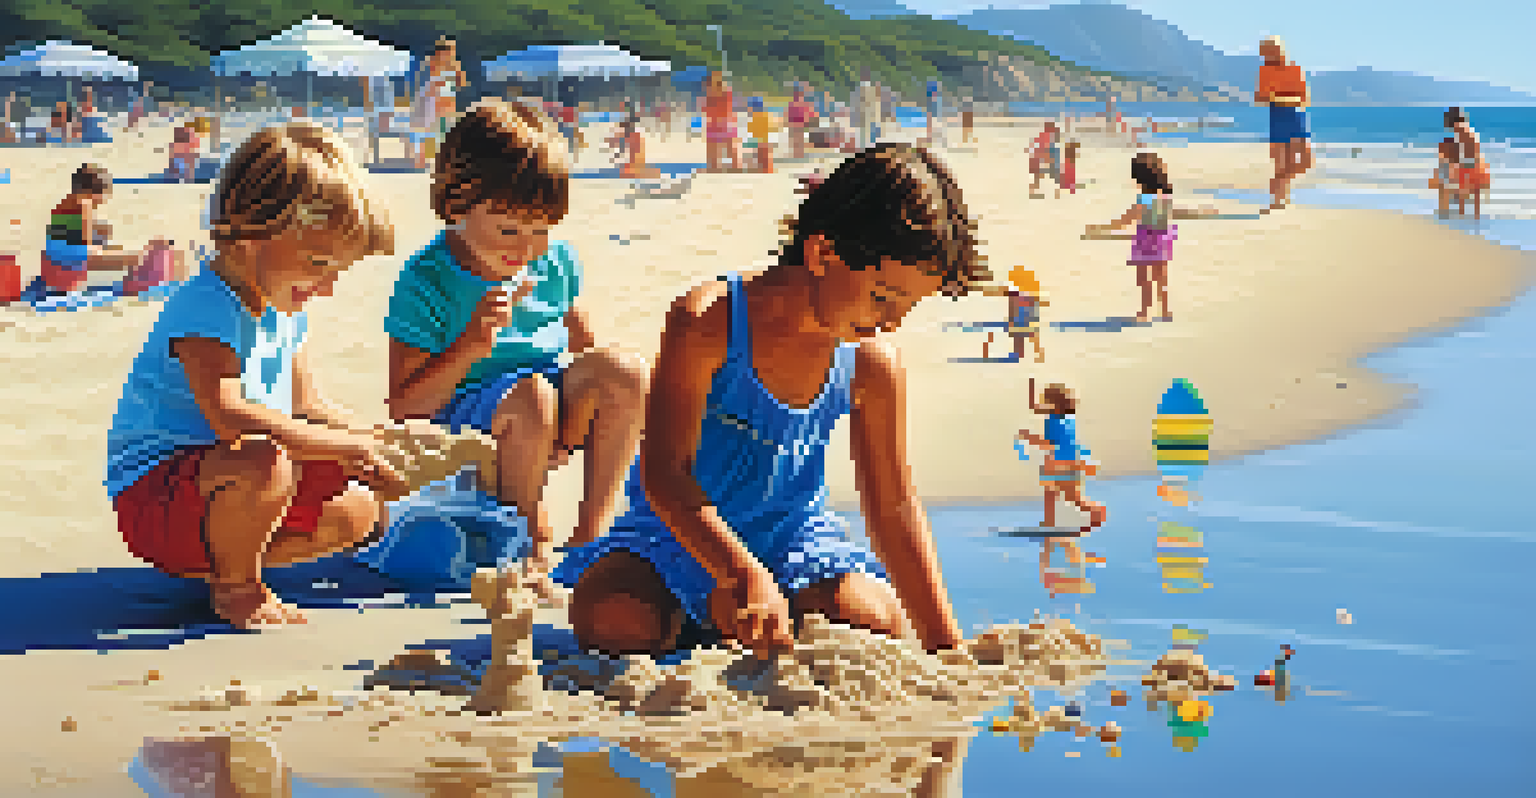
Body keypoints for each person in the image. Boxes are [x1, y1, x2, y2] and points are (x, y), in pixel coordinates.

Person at [552, 143, 984, 657]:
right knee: (610, 619)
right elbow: (665, 475)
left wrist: (945, 643)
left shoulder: (870, 365)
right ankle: (717, 611)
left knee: (873, 623)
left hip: (795, 544)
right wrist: (739, 574)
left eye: (908, 307)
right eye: (883, 297)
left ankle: (751, 615)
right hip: (675, 538)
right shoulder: (707, 321)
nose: (891, 321)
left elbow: (892, 505)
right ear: (822, 253)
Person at [105, 123, 407, 629]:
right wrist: (340, 447)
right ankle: (237, 586)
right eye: (317, 264)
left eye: (337, 270)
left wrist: (380, 440)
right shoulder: (207, 307)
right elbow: (229, 418)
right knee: (264, 460)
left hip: (226, 482)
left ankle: (227, 557)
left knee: (360, 507)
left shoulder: (284, 310)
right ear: (247, 235)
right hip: (156, 496)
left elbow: (309, 408)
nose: (326, 286)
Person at [384, 100, 648, 602]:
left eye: (541, 231)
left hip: (544, 416)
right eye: (509, 229)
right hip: (467, 432)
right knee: (533, 395)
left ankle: (593, 534)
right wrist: (470, 345)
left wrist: (609, 406)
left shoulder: (554, 263)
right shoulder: (428, 279)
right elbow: (405, 407)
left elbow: (587, 349)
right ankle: (525, 541)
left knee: (624, 370)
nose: (526, 248)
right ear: (458, 202)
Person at [1085, 152, 1218, 322]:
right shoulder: (1164, 197)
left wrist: (1099, 228)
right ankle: (1165, 310)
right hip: (1162, 238)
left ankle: (1144, 312)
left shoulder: (1144, 200)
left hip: (1145, 239)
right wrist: (1199, 212)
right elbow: (1172, 213)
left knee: (1144, 278)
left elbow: (1125, 221)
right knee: (1161, 276)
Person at [36, 163, 185, 297]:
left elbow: (64, 236)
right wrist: (105, 252)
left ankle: (144, 256)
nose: (102, 201)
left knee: (104, 232)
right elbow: (86, 246)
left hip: (52, 258)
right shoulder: (84, 204)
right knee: (131, 259)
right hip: (69, 258)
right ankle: (149, 263)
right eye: (103, 195)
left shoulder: (64, 204)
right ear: (94, 192)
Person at [1014, 377, 1107, 541]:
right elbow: (1036, 408)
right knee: (1059, 492)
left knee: (1061, 493)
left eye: (1046, 399)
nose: (1042, 403)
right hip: (1073, 459)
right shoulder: (1066, 416)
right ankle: (1056, 521)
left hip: (1061, 461)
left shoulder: (1055, 421)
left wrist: (1029, 437)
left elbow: (1049, 443)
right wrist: (1030, 389)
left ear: (1053, 403)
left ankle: (1096, 513)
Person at [1256, 36, 1314, 210]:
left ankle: (1279, 183)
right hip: (1278, 116)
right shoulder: (1265, 71)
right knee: (1282, 161)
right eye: (1264, 53)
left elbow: (1304, 98)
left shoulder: (1295, 69)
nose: (1266, 57)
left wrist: (1280, 97)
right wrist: (1285, 98)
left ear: (1279, 50)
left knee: (1305, 161)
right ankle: (1278, 201)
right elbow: (1260, 97)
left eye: (1268, 52)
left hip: (1297, 116)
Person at [977, 266, 1048, 363]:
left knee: (1021, 333)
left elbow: (1000, 291)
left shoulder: (1015, 289)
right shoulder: (1029, 291)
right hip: (1025, 313)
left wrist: (986, 291)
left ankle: (1024, 352)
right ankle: (1034, 352)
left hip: (1019, 314)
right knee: (1029, 333)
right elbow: (1001, 291)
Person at [1445, 107, 1491, 220]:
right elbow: (1473, 146)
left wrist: (1456, 163)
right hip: (1478, 161)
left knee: (1461, 191)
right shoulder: (1470, 128)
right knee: (1476, 192)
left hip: (1468, 162)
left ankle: (1462, 214)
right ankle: (1476, 216)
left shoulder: (1459, 128)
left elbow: (1460, 148)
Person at [703, 71, 739, 173]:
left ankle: (731, 165)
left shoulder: (722, 93)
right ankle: (715, 165)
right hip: (719, 122)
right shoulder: (713, 94)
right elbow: (707, 109)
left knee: (727, 146)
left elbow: (709, 108)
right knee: (716, 147)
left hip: (723, 122)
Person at [1028, 121, 1062, 197]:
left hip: (1038, 160)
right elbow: (1046, 151)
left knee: (1038, 177)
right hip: (1042, 160)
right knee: (1055, 175)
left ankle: (1033, 191)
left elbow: (1033, 146)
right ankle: (1057, 192)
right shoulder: (1048, 139)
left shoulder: (1043, 137)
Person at [1429, 137, 1460, 219]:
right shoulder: (1445, 163)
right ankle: (1444, 211)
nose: (1440, 152)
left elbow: (1455, 177)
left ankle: (1445, 211)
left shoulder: (1452, 164)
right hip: (1452, 186)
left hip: (1457, 187)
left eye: (1442, 149)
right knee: (1442, 187)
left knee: (1443, 188)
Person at [746, 96, 779, 173]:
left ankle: (765, 168)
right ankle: (767, 168)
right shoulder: (764, 115)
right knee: (764, 154)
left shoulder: (756, 116)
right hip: (764, 138)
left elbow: (751, 128)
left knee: (762, 154)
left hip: (761, 138)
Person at [786, 83, 815, 160]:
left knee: (796, 139)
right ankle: (799, 154)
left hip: (794, 122)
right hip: (799, 122)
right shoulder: (801, 102)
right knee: (799, 139)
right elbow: (805, 111)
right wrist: (808, 120)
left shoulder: (793, 102)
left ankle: (797, 154)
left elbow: (790, 112)